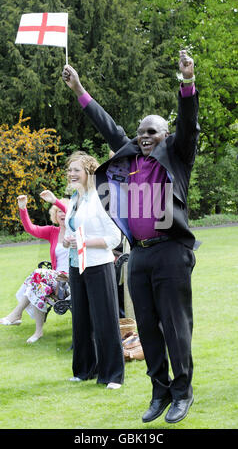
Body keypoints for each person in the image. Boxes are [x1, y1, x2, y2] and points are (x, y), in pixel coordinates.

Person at [62, 50, 200, 422]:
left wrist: (187, 84)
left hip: (171, 252)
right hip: (138, 256)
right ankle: (160, 393)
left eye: (151, 132)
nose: (143, 138)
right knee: (148, 330)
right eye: (140, 133)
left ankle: (183, 392)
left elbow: (189, 123)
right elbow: (108, 126)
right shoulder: (130, 157)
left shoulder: (177, 154)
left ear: (164, 135)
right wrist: (79, 90)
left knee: (175, 326)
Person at [56, 151, 124, 389]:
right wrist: (67, 240)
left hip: (98, 265)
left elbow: (114, 237)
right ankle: (84, 370)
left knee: (105, 321)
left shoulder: (100, 198)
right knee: (81, 320)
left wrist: (84, 242)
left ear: (88, 173)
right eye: (70, 170)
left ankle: (113, 375)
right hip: (76, 266)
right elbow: (73, 232)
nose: (71, 174)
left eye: (76, 170)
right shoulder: (75, 199)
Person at [0, 192, 69, 343]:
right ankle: (38, 332)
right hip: (56, 279)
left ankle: (17, 313)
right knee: (38, 286)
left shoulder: (77, 231)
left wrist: (57, 202)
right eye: (59, 211)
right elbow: (31, 229)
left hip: (71, 281)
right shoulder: (53, 231)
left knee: (38, 273)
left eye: (64, 210)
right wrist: (22, 208)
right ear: (55, 215)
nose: (62, 214)